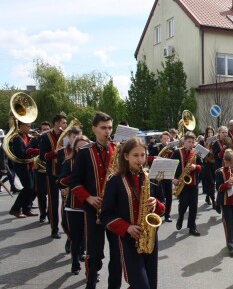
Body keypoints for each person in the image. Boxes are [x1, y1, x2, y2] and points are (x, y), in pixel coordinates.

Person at [101, 137, 165, 289]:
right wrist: (127, 228)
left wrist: (156, 204)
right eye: (135, 155)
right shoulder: (114, 180)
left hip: (149, 237)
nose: (140, 159)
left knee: (150, 284)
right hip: (128, 240)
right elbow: (105, 215)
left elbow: (163, 207)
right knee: (141, 284)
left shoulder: (149, 177)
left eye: (142, 155)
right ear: (126, 156)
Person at [69, 112, 122, 289]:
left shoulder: (119, 150)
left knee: (117, 254)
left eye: (109, 128)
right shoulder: (84, 152)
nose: (107, 132)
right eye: (103, 128)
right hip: (94, 210)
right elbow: (74, 182)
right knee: (95, 253)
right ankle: (90, 283)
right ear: (94, 129)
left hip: (115, 211)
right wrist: (89, 198)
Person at [58, 135, 91, 275]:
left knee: (88, 237)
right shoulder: (69, 162)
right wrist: (74, 177)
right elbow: (60, 181)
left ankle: (90, 267)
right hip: (73, 205)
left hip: (90, 204)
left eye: (86, 146)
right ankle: (75, 263)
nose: (82, 149)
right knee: (76, 237)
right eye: (80, 147)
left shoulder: (93, 162)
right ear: (74, 148)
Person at [39, 112, 68, 239]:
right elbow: (42, 156)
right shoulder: (46, 137)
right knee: (53, 202)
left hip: (64, 173)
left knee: (66, 202)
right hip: (52, 173)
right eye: (64, 123)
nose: (66, 125)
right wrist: (54, 153)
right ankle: (54, 228)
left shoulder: (66, 135)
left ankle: (66, 227)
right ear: (57, 123)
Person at [172, 132, 202, 235]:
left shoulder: (196, 153)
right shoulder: (177, 152)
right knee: (183, 204)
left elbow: (202, 167)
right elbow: (171, 168)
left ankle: (192, 227)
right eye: (189, 141)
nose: (191, 144)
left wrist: (196, 167)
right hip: (182, 184)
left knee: (194, 206)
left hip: (193, 183)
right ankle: (180, 218)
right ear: (184, 142)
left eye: (192, 142)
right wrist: (173, 179)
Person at [57, 126, 81, 253]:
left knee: (80, 224)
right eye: (74, 137)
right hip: (67, 190)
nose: (76, 139)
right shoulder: (62, 152)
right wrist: (63, 186)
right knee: (66, 221)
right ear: (69, 138)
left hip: (81, 193)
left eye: (78, 137)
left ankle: (77, 245)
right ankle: (70, 238)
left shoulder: (85, 152)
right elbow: (59, 173)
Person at [8, 121, 39, 218]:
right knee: (28, 187)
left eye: (30, 126)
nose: (29, 128)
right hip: (22, 166)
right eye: (27, 126)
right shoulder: (17, 139)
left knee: (32, 188)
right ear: (21, 126)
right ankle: (15, 209)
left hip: (29, 165)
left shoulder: (28, 137)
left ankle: (26, 209)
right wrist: (33, 151)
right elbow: (20, 153)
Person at [215, 149, 233, 257]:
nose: (230, 165)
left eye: (232, 162)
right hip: (225, 201)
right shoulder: (219, 172)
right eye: (228, 162)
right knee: (228, 222)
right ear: (224, 160)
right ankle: (230, 243)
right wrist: (227, 184)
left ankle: (231, 238)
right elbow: (218, 188)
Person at [31, 121, 50, 222]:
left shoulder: (53, 139)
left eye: (48, 129)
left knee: (52, 196)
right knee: (41, 194)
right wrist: (41, 151)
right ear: (40, 130)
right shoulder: (35, 140)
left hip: (51, 170)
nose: (46, 131)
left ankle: (51, 216)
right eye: (44, 130)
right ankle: (43, 214)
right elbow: (28, 150)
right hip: (40, 171)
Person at [156, 131, 174, 222]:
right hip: (159, 174)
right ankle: (160, 213)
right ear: (161, 139)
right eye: (164, 139)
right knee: (160, 195)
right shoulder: (157, 147)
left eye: (168, 139)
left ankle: (167, 214)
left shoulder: (173, 149)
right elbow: (149, 158)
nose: (166, 140)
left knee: (169, 196)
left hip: (168, 174)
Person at [202, 126, 217, 208]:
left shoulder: (215, 142)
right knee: (210, 182)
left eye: (211, 132)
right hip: (206, 163)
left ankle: (208, 197)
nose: (210, 134)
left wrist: (213, 151)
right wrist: (206, 150)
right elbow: (199, 153)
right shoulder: (203, 141)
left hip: (213, 163)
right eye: (209, 132)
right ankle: (213, 200)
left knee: (213, 181)